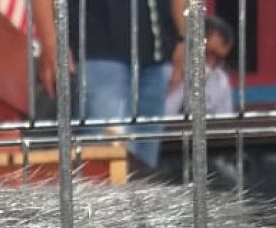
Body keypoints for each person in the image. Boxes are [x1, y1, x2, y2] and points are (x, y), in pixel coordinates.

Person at [32, 0, 185, 170]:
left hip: (156, 55)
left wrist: (183, 37)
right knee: (105, 166)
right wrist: (50, 41)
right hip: (97, 51)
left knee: (143, 171)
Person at [164, 16, 234, 116]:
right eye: (208, 55)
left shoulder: (220, 79)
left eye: (218, 59)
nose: (211, 64)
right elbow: (163, 115)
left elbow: (224, 121)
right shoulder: (167, 72)